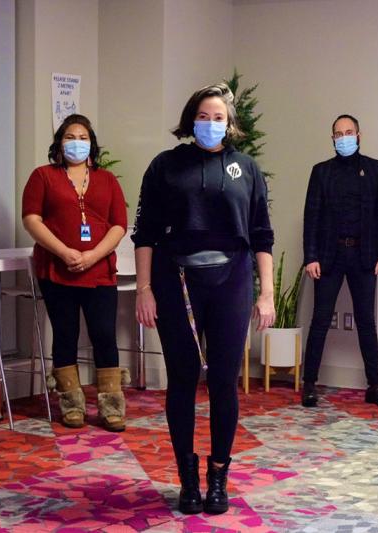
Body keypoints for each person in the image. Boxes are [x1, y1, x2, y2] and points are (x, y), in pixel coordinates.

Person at [132, 83, 275, 516]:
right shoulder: (165, 166)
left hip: (232, 280)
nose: (210, 124)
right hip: (175, 280)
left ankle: (218, 476)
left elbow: (262, 234)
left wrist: (267, 293)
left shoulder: (246, 168)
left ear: (230, 124)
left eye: (219, 118)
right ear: (190, 119)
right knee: (182, 377)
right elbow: (145, 234)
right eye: (203, 116)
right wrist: (144, 289)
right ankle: (187, 478)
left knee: (223, 381)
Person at [22, 113, 128, 432]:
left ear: (92, 145)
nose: (77, 143)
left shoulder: (107, 180)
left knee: (104, 335)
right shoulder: (42, 176)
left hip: (99, 271)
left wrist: (93, 254)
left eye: (83, 138)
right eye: (70, 137)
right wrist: (65, 252)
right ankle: (71, 405)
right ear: (59, 143)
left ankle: (111, 407)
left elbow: (118, 225)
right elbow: (31, 220)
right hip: (57, 270)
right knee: (65, 335)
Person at [301, 114, 378, 408]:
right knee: (319, 320)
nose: (344, 138)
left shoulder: (375, 170)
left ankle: (375, 385)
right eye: (338, 134)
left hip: (365, 256)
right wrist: (311, 257)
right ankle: (308, 385)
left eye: (349, 132)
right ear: (332, 139)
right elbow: (311, 217)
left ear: (359, 135)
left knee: (367, 321)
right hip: (329, 257)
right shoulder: (321, 172)